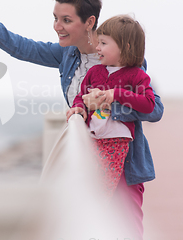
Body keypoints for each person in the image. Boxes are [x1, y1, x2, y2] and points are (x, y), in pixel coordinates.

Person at [0, 0, 164, 240]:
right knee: (85, 229)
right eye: (55, 18)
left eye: (66, 20)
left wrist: (107, 103)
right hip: (87, 160)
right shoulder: (67, 55)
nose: (57, 26)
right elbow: (23, 47)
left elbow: (153, 109)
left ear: (89, 21)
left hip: (124, 161)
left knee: (126, 234)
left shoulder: (124, 57)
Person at [66, 15, 155, 198]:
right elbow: (81, 96)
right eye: (98, 42)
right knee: (90, 188)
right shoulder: (94, 72)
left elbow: (149, 105)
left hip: (117, 142)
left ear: (125, 47)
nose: (97, 47)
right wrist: (79, 108)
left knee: (104, 194)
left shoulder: (137, 75)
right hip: (92, 139)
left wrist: (116, 94)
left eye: (103, 43)